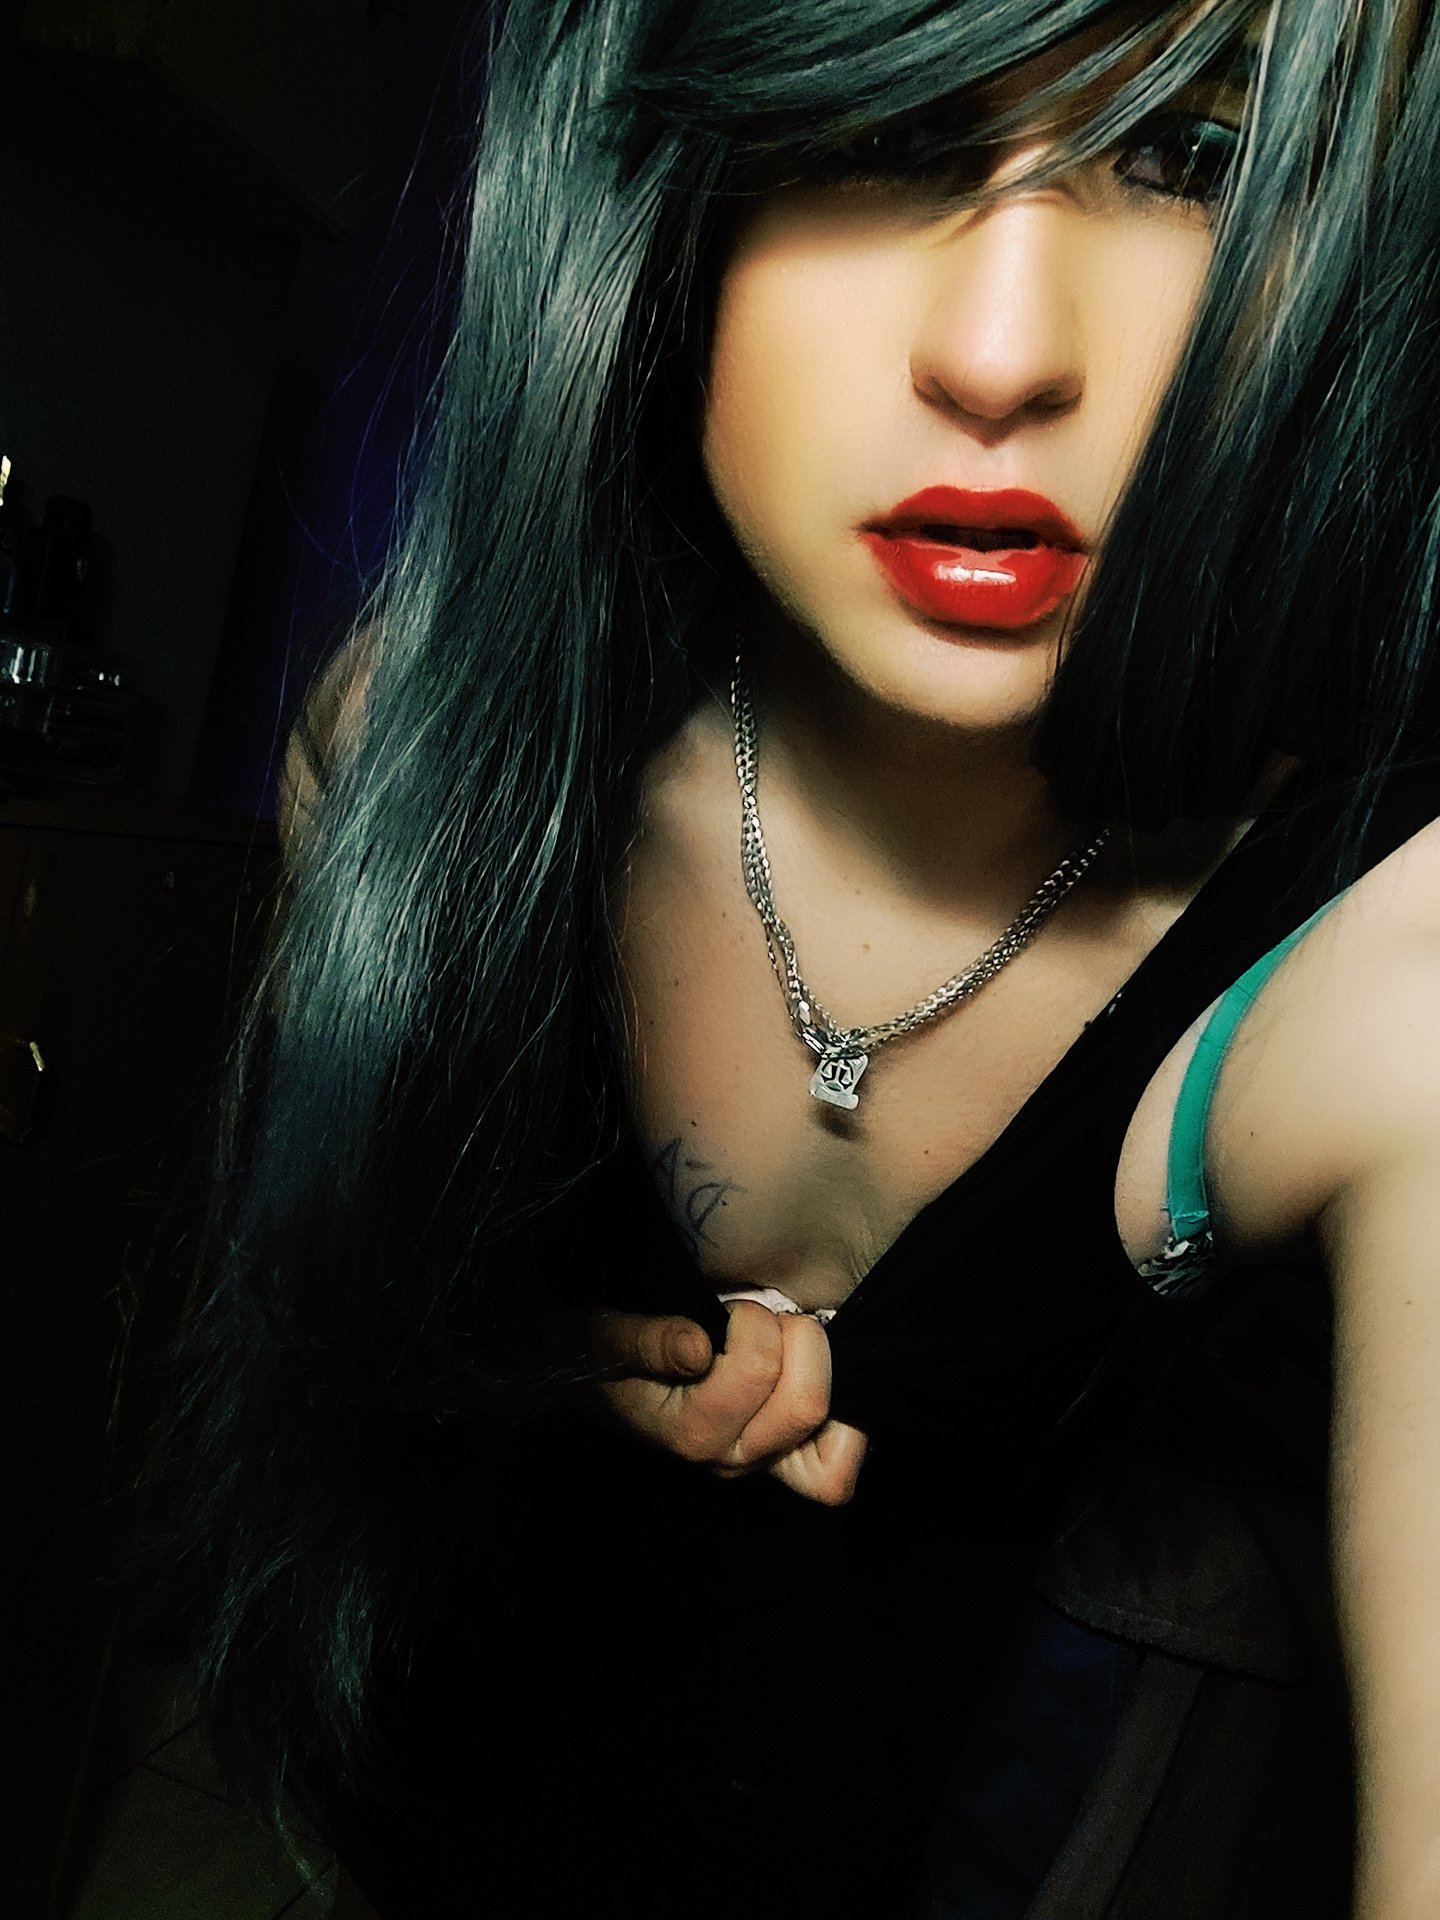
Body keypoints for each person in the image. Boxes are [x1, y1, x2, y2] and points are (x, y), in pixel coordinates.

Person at [163, 0, 1440, 1914]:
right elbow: (325, 1370)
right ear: (667, 198)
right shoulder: (420, 759)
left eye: (1194, 153)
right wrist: (504, 1348)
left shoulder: (1394, 961)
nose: (1000, 354)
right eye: (881, 134)